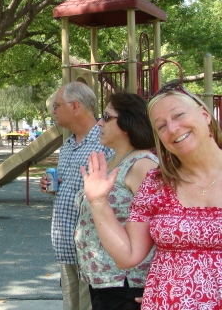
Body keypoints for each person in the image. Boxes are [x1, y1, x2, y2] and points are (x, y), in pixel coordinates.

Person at [83, 84, 222, 309]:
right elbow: (127, 256)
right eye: (161, 126)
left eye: (178, 115)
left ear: (205, 115)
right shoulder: (156, 184)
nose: (173, 128)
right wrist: (98, 202)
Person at [74, 93, 158, 310]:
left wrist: (156, 288)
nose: (99, 123)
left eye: (106, 117)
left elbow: (161, 228)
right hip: (104, 281)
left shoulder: (143, 166)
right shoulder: (115, 160)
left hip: (128, 284)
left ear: (127, 124)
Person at [38, 82, 114, 310]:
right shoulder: (68, 145)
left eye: (56, 105)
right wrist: (50, 186)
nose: (53, 111)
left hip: (93, 253)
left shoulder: (104, 144)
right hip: (66, 250)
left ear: (74, 106)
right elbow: (70, 191)